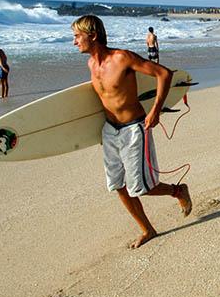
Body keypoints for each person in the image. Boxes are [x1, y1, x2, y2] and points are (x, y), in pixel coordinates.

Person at [71, 15, 192, 249]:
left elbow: (163, 74)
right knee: (117, 184)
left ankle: (178, 190)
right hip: (110, 131)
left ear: (93, 36)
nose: (74, 41)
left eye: (77, 36)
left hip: (134, 129)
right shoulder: (91, 64)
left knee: (141, 187)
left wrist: (155, 110)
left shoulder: (122, 58)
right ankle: (147, 229)